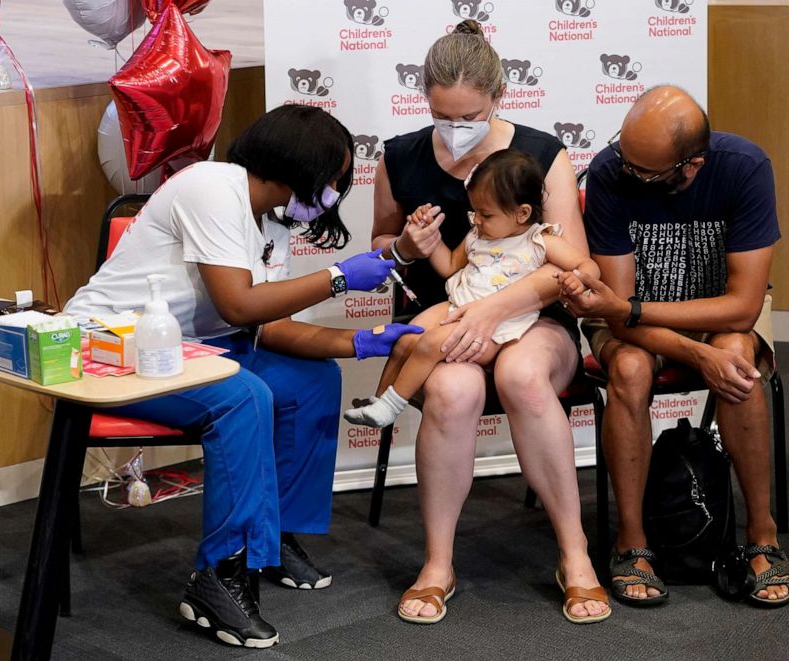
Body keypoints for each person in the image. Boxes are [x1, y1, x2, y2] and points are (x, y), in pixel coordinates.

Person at [65, 105, 423, 648]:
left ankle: (272, 540)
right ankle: (217, 576)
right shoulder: (212, 187)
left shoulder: (271, 221)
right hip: (111, 350)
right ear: (294, 163)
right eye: (330, 176)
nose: (333, 190)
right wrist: (338, 279)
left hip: (195, 350)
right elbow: (237, 305)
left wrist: (359, 343)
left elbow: (268, 325)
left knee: (312, 382)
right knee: (242, 398)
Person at [371, 20, 610, 624]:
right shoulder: (398, 156)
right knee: (451, 391)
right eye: (442, 115)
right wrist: (404, 243)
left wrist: (494, 310)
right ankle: (437, 564)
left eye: (470, 115)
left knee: (524, 378)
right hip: (447, 317)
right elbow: (379, 246)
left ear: (497, 98)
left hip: (535, 320)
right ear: (424, 98)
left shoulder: (541, 154)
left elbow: (571, 267)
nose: (456, 130)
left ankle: (575, 556)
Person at [557, 86, 789, 607]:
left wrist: (649, 316)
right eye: (624, 156)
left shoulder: (745, 168)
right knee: (633, 369)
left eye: (645, 172)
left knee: (736, 350)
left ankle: (762, 533)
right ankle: (632, 542)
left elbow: (742, 308)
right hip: (631, 328)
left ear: (691, 166)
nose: (626, 173)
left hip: (706, 319)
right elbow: (618, 316)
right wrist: (690, 349)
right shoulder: (608, 170)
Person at [346, 149, 599, 428]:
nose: (477, 219)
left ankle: (391, 407)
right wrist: (429, 235)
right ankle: (378, 400)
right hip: (458, 304)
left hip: (499, 327)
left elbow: (587, 265)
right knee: (408, 337)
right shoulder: (477, 235)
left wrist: (578, 278)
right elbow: (449, 266)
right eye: (474, 212)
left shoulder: (541, 240)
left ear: (522, 212)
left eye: (486, 214)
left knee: (430, 343)